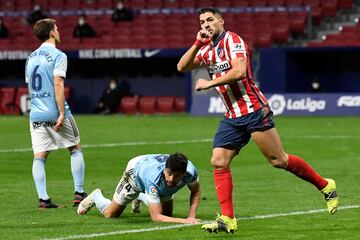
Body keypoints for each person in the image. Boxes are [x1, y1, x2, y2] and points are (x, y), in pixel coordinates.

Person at [177, 7, 339, 234]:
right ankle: (227, 218)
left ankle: (325, 185)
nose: (206, 24)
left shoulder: (233, 41)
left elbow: (240, 71)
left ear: (221, 21)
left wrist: (208, 84)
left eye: (210, 20)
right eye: (202, 21)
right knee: (219, 160)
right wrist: (196, 43)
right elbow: (181, 66)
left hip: (253, 110)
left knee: (279, 160)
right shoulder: (206, 50)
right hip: (232, 116)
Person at [25, 19, 87, 208]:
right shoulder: (59, 55)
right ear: (52, 32)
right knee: (75, 148)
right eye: (57, 29)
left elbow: (30, 87)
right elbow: (58, 83)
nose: (59, 32)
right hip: (54, 111)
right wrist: (61, 112)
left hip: (36, 113)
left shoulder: (31, 57)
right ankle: (79, 193)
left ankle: (43, 199)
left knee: (40, 156)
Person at [77, 153, 201, 224]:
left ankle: (142, 196)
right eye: (169, 173)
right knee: (111, 214)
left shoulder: (190, 172)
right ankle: (96, 196)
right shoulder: (153, 179)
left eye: (176, 176)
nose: (171, 179)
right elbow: (156, 217)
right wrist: (185, 221)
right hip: (135, 174)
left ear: (183, 173)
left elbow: (195, 191)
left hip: (150, 170)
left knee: (167, 215)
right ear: (165, 169)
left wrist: (191, 215)